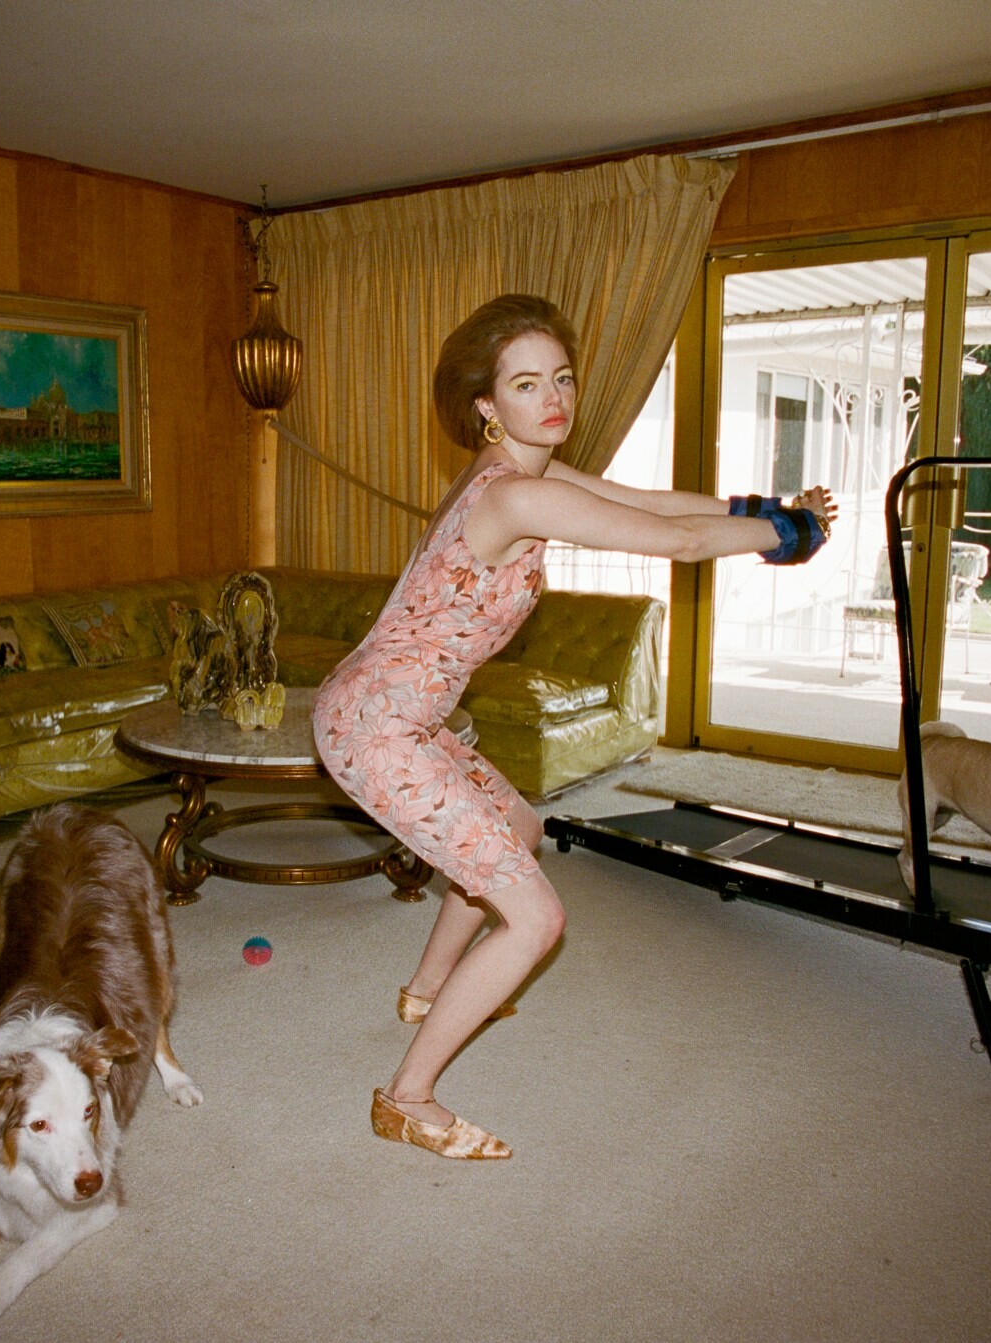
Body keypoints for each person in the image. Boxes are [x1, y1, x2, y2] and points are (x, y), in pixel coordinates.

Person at [312, 294, 839, 1160]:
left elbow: (655, 504)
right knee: (535, 917)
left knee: (518, 829)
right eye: (525, 384)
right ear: (486, 404)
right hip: (377, 726)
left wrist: (764, 505)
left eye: (560, 378)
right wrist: (787, 533)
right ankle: (406, 1098)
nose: (552, 398)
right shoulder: (517, 496)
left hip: (398, 712)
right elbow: (678, 545)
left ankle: (428, 988)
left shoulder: (528, 474)